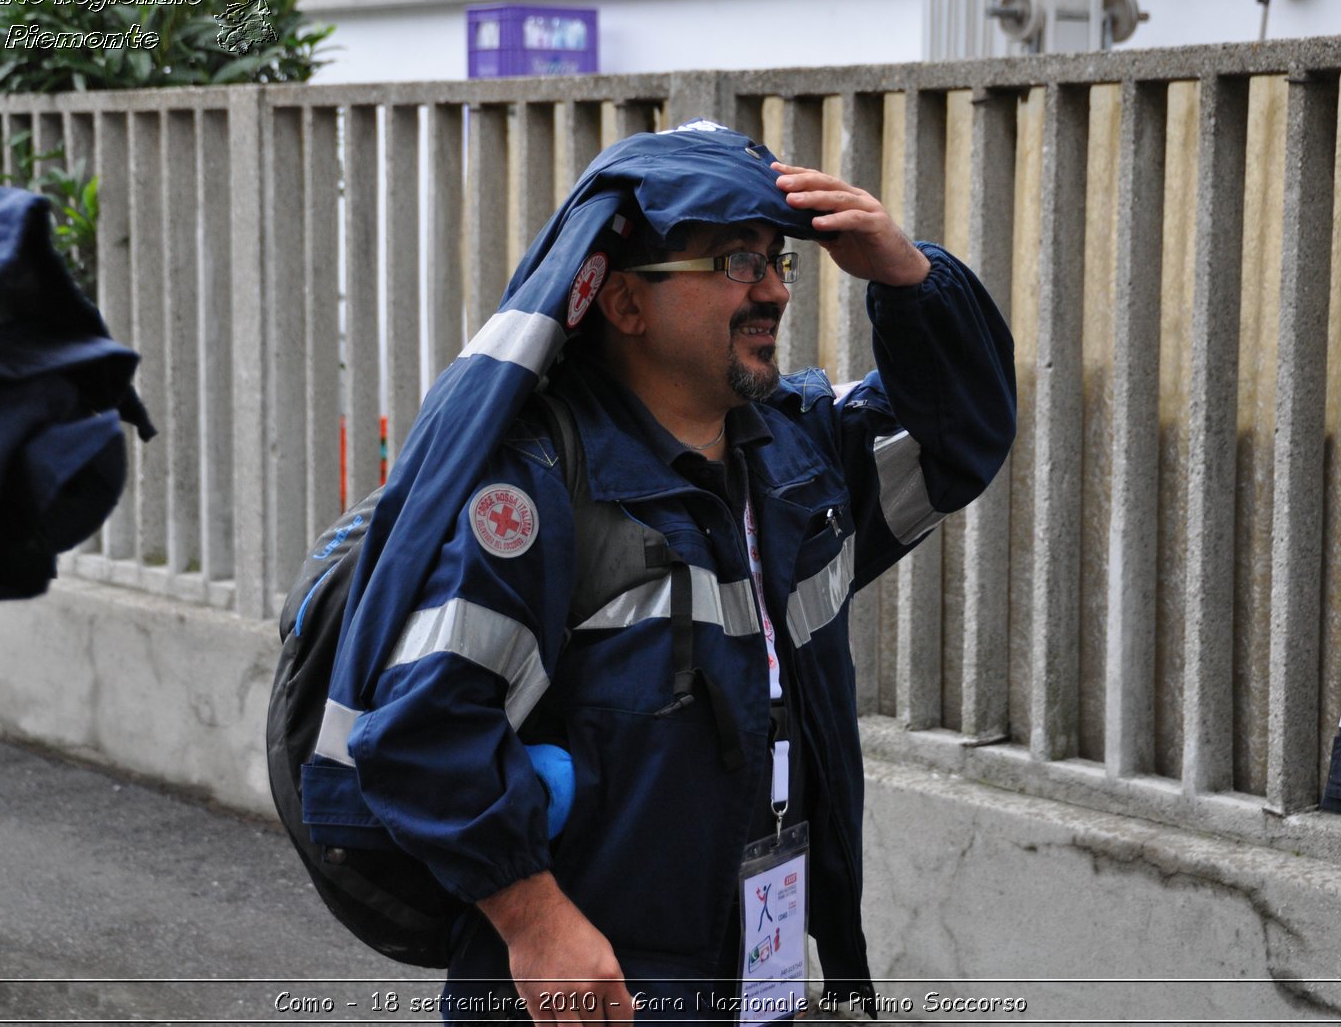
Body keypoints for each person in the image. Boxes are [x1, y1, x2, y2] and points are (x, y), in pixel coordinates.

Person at [312, 121, 1015, 1023]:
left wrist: (910, 279)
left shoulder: (801, 465)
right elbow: (415, 734)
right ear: (623, 302)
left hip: (759, 972)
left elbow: (962, 437)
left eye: (776, 261)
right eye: (733, 262)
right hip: (594, 986)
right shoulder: (532, 492)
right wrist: (533, 917)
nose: (771, 291)